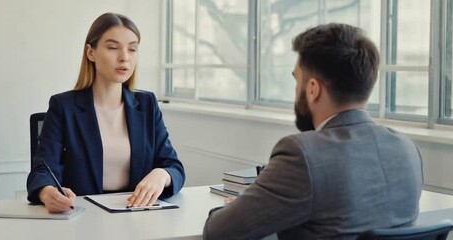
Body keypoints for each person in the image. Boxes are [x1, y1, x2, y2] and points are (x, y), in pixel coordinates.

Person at [203, 23, 423, 239]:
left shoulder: (303, 155)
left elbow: (218, 233)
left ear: (313, 89)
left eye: (297, 81)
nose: (296, 90)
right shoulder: (406, 149)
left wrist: (243, 206)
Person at [27, 12, 185, 213]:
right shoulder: (63, 106)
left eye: (133, 49)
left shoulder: (147, 104)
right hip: (84, 218)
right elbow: (42, 171)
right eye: (112, 48)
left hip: (137, 216)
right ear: (90, 52)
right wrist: (47, 192)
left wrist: (162, 174)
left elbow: (174, 166)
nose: (124, 58)